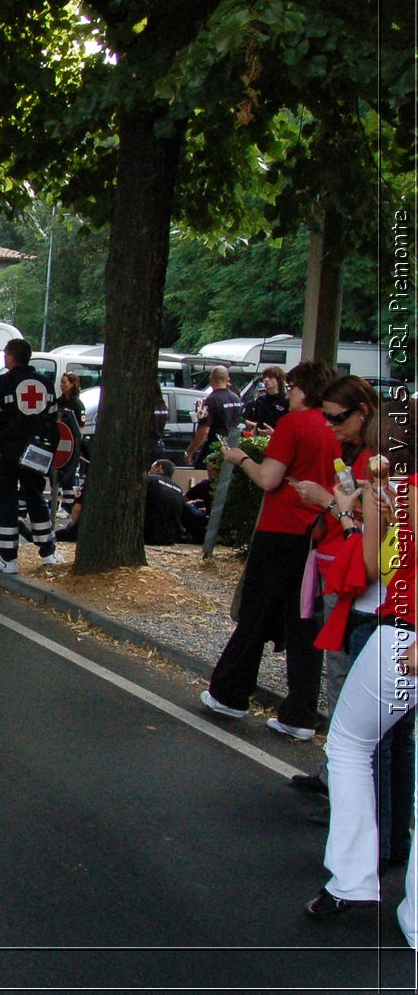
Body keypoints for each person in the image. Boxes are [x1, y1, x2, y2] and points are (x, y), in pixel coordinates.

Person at [302, 468, 415, 944]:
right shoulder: (403, 488)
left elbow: (381, 568)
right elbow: (384, 564)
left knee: (349, 746)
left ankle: (352, 877)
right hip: (401, 631)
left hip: (403, 635)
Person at [203, 360, 338, 737]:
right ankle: (300, 714)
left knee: (256, 613)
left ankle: (230, 693)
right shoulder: (332, 429)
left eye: (293, 387)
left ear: (304, 390)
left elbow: (268, 478)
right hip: (314, 533)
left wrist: (240, 457)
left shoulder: (293, 425)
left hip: (279, 529)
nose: (288, 393)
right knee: (302, 622)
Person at [0, 338, 61, 573]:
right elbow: (56, 421)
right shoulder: (46, 384)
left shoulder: (3, 383)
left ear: (11, 357)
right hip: (37, 452)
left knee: (5, 501)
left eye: (6, 355)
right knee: (35, 496)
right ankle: (48, 551)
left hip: (7, 452)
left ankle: (8, 559)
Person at [185, 365, 244, 467]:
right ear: (228, 379)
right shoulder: (236, 398)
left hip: (215, 446)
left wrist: (190, 452)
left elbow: (204, 430)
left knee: (202, 471)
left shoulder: (212, 400)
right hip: (233, 446)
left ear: (210, 379)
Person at [55, 372, 86, 518]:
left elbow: (80, 428)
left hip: (72, 445)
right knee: (57, 475)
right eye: (61, 383)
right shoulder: (59, 401)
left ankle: (68, 506)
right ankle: (57, 503)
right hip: (59, 444)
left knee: (69, 476)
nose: (62, 385)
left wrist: (75, 445)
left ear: (72, 384)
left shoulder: (77, 404)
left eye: (65, 383)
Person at [143, 460, 186, 546]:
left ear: (159, 467)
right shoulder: (178, 489)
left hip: (149, 536)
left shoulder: (150, 479)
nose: (149, 471)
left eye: (151, 468)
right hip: (170, 538)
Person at [244, 365, 289, 435]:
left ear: (278, 380)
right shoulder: (260, 400)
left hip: (278, 438)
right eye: (264, 377)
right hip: (260, 440)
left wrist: (274, 433)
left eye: (270, 377)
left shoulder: (286, 400)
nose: (266, 380)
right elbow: (257, 422)